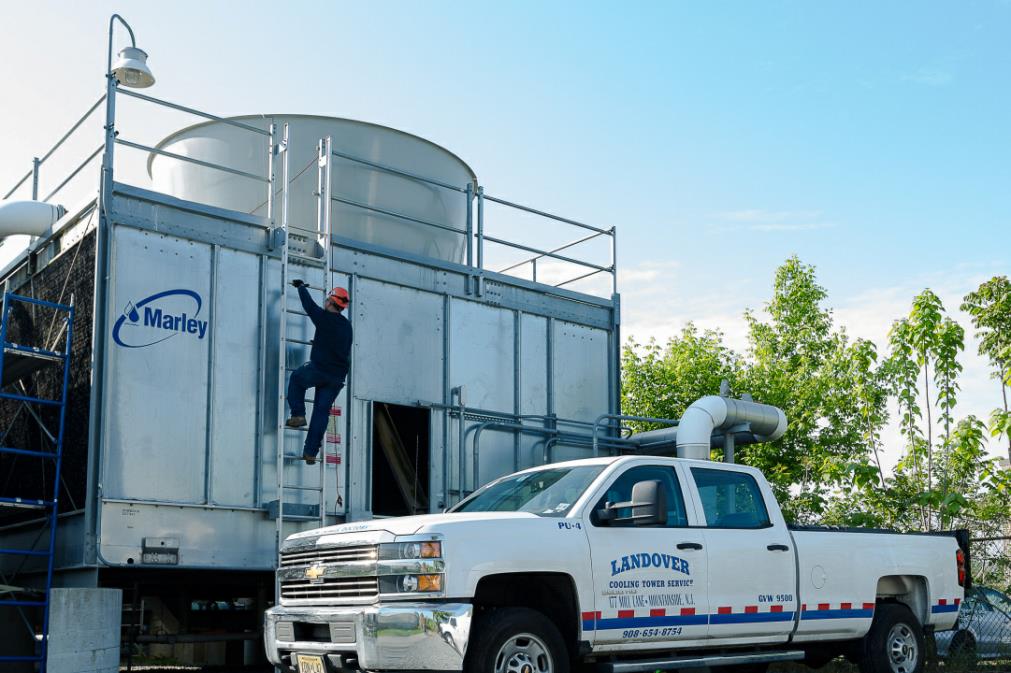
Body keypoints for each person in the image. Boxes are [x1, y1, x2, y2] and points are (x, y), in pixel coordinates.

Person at [286, 279, 353, 465]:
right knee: (321, 413)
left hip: (320, 369)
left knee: (297, 379)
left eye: (327, 299)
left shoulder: (324, 318)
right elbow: (337, 345)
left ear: (331, 302)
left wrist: (300, 288)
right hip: (337, 377)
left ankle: (298, 414)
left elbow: (309, 306)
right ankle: (310, 452)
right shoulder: (347, 326)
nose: (324, 302)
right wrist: (319, 344)